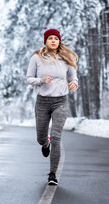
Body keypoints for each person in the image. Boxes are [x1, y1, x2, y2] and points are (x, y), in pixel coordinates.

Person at [26, 28, 79, 186]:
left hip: (60, 102)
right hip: (42, 102)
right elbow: (29, 78)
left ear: (59, 41)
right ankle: (45, 143)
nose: (53, 41)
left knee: (57, 137)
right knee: (40, 138)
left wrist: (74, 83)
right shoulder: (37, 58)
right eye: (50, 38)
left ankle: (52, 174)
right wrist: (41, 80)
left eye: (56, 38)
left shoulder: (66, 58)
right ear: (46, 41)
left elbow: (73, 76)